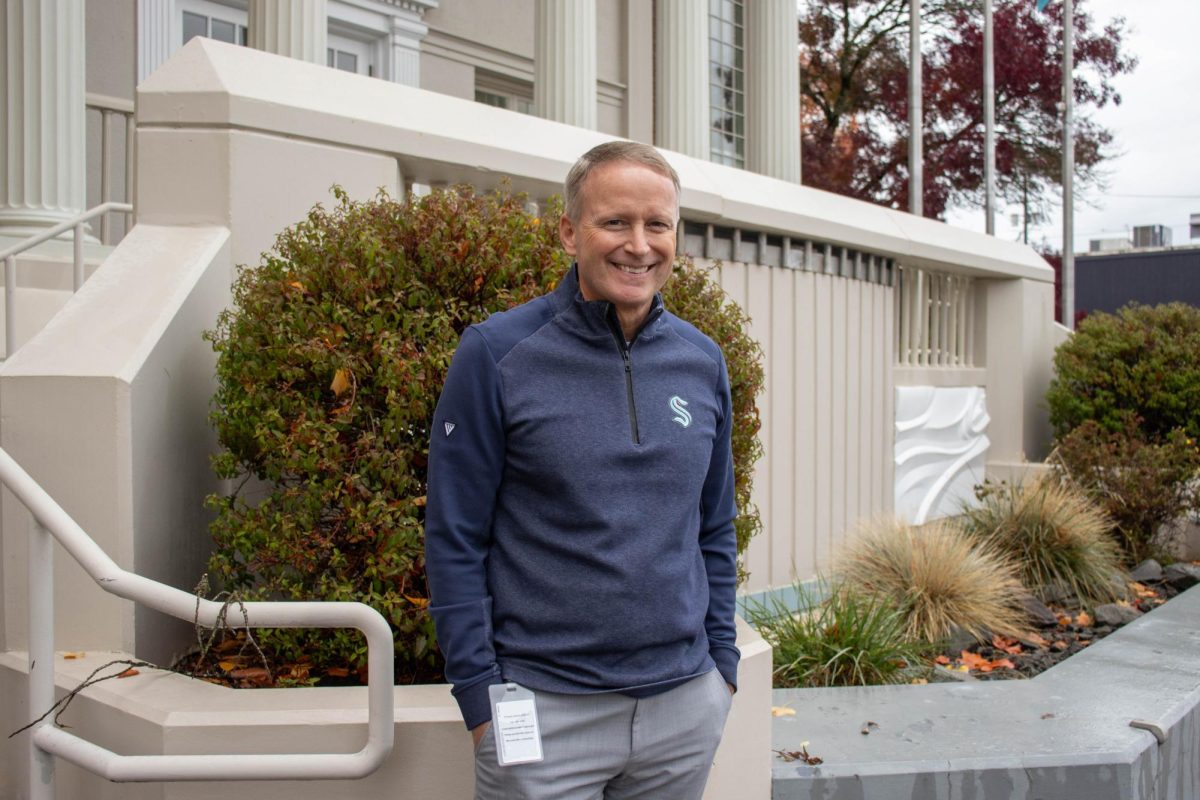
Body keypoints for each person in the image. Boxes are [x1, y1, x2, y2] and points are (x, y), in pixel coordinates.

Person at [424, 140, 739, 800]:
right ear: (571, 232)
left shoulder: (701, 362)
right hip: (542, 709)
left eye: (658, 224)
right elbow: (455, 539)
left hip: (683, 707)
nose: (639, 245)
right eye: (615, 222)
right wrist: (481, 702)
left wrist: (721, 668)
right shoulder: (498, 354)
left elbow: (713, 527)